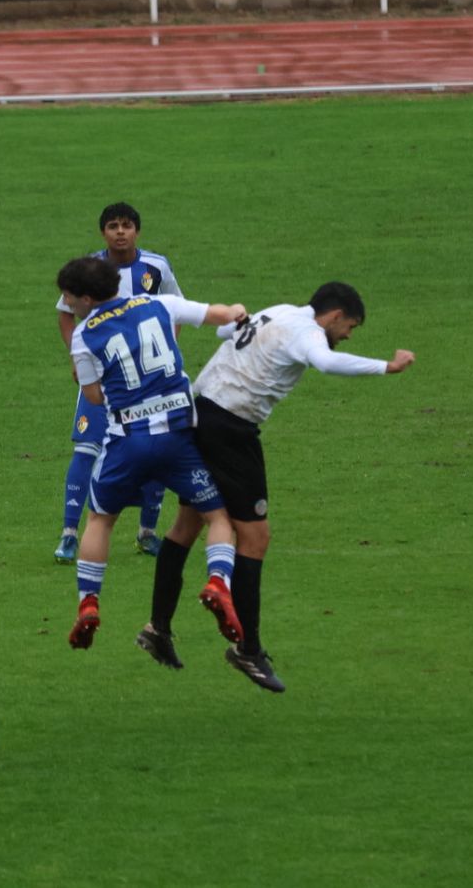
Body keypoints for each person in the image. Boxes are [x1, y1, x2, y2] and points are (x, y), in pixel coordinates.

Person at [141, 283, 414, 693]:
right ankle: (248, 650)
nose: (347, 337)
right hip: (232, 429)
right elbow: (324, 362)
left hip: (199, 415)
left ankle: (157, 628)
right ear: (335, 315)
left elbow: (225, 332)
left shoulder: (282, 311)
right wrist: (386, 367)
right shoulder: (307, 334)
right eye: (350, 327)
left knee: (188, 523)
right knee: (254, 537)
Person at [56, 255, 244, 653]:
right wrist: (237, 311)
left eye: (70, 299)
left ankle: (88, 601)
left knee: (100, 519)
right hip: (178, 438)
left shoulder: (84, 335)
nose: (68, 305)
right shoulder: (158, 303)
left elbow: (92, 395)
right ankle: (218, 580)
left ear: (88, 298)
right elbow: (218, 314)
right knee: (217, 517)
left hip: (127, 440)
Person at [54, 202, 181, 563]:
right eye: (113, 226)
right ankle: (67, 535)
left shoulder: (156, 267)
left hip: (148, 379)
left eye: (126, 225)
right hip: (104, 376)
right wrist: (77, 357)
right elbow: (65, 314)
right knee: (86, 449)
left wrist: (164, 353)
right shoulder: (89, 269)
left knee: (157, 446)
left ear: (137, 230)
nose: (120, 232)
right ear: (103, 232)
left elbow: (175, 309)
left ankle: (147, 532)